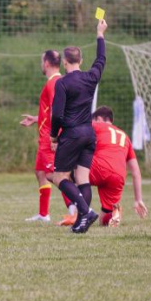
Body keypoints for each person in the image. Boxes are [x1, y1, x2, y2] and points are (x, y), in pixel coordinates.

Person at [50, 19, 108, 234]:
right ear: (81, 60)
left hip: (72, 134)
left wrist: (54, 136)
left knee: (59, 178)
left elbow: (57, 114)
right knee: (82, 178)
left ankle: (86, 211)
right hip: (89, 134)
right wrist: (100, 34)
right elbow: (101, 58)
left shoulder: (63, 83)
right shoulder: (91, 77)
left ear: (65, 62)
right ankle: (82, 222)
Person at [20, 50, 75, 223]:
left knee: (54, 175)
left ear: (46, 63)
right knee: (40, 172)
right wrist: (37, 119)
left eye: (41, 60)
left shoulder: (54, 83)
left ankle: (76, 208)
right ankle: (44, 214)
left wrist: (55, 138)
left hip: (49, 138)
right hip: (45, 135)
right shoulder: (55, 82)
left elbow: (57, 113)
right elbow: (51, 112)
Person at [89, 106, 148, 227]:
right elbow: (136, 171)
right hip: (118, 176)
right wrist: (138, 199)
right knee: (105, 221)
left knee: (62, 175)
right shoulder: (125, 136)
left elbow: (73, 122)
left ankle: (81, 212)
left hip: (100, 167)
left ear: (99, 119)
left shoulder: (97, 125)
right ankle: (113, 213)